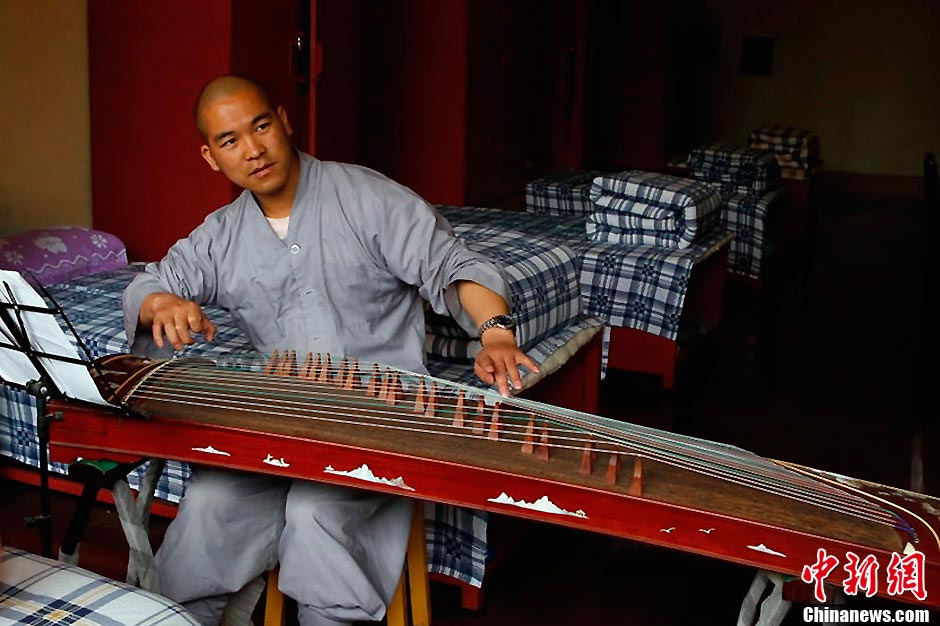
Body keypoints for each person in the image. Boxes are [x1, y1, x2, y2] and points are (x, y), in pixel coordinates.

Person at [122, 75, 538, 626]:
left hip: (374, 417)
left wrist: (496, 332)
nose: (252, 149)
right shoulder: (220, 236)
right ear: (211, 157)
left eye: (261, 126)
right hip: (278, 417)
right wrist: (162, 304)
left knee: (318, 513)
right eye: (230, 141)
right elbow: (151, 285)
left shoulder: (365, 197)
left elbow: (454, 265)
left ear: (284, 121)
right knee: (208, 507)